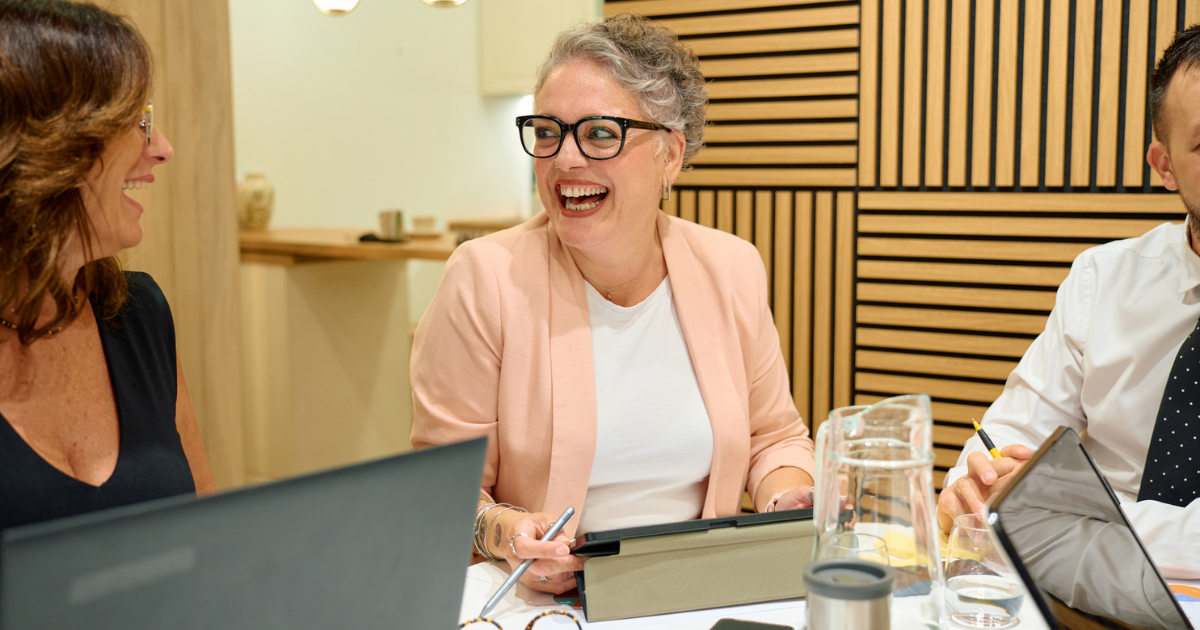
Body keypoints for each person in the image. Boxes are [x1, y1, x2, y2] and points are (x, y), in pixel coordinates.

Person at [411, 15, 816, 594]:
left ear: (670, 155)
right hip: (545, 603)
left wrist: (787, 493)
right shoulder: (486, 278)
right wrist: (507, 531)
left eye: (600, 133)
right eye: (548, 131)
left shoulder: (731, 267)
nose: (566, 160)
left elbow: (773, 438)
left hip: (699, 594)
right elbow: (437, 493)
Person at [938, 24, 1200, 578]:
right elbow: (1003, 444)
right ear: (1164, 164)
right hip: (1087, 598)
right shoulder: (1102, 280)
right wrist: (973, 486)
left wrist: (1074, 515)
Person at [0, 0, 216, 532]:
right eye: (133, 120)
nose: (161, 148)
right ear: (45, 146)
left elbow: (212, 541)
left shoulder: (138, 313)